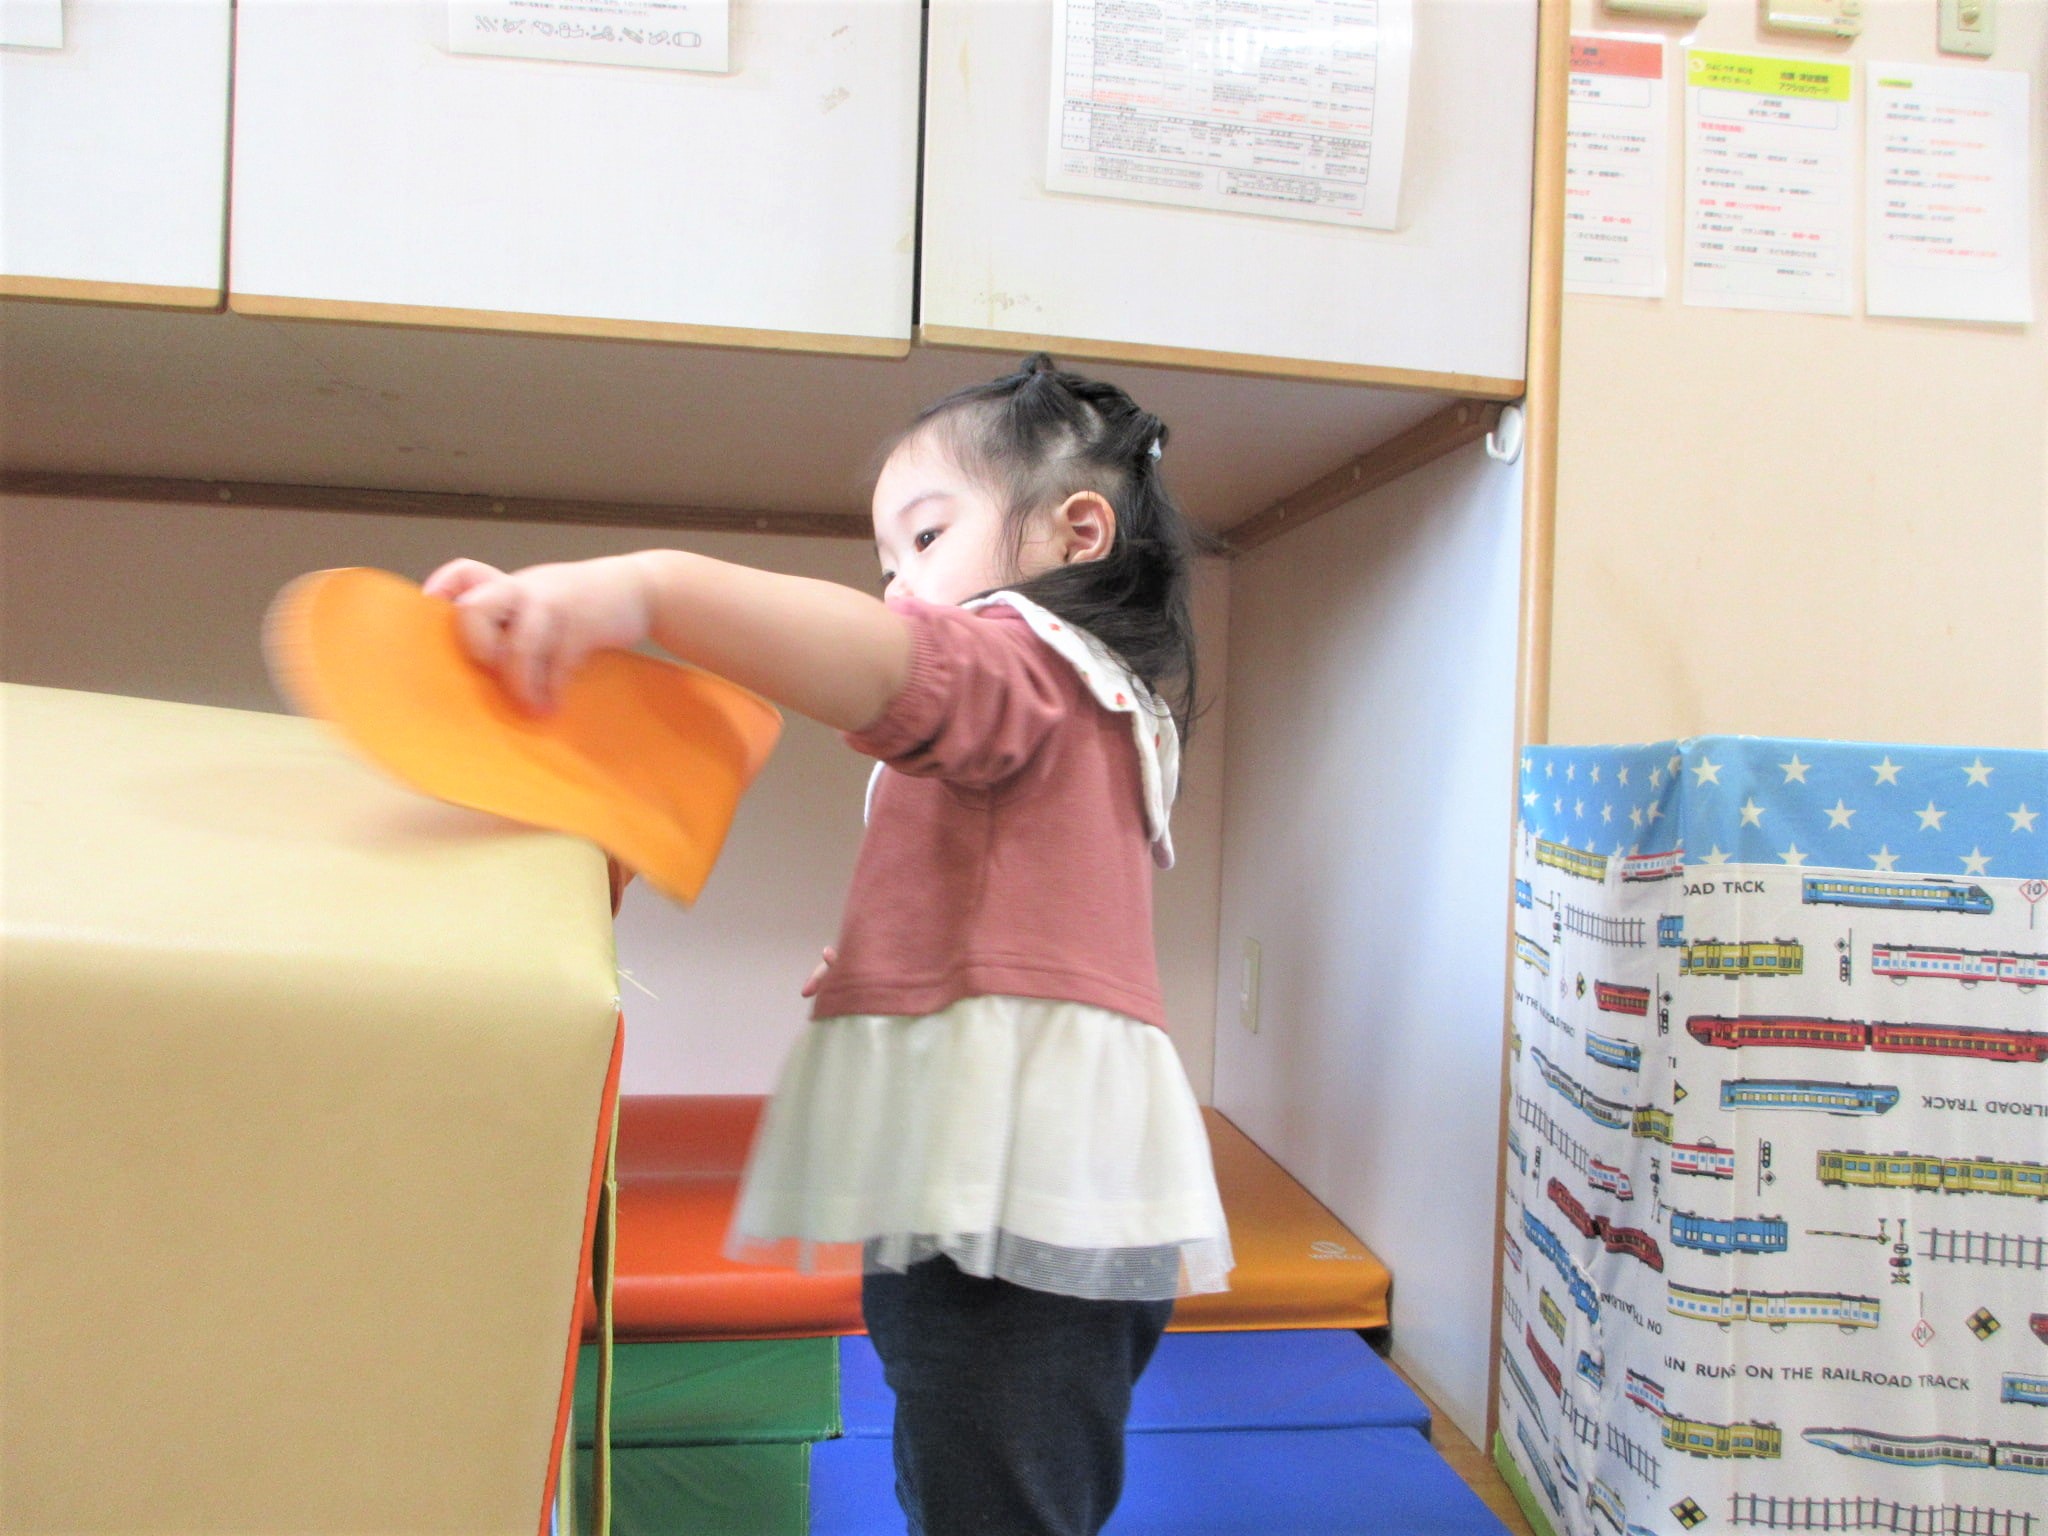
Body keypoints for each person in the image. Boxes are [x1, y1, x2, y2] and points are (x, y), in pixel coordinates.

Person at [424, 354, 1232, 1536]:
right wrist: (888, 962)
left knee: (988, 1485)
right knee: (968, 1463)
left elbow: (884, 661)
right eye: (885, 564)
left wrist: (646, 591)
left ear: (1077, 533)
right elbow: (1032, 921)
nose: (901, 587)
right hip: (1042, 1196)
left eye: (926, 536)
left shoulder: (1020, 661)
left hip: (1009, 1208)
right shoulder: (1104, 709)